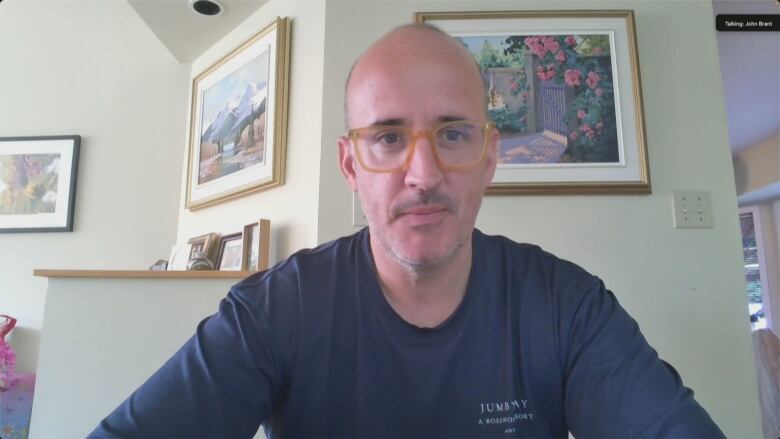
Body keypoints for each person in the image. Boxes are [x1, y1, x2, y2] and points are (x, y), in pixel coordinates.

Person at [91, 24, 724, 438]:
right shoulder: (274, 311)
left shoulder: (568, 306)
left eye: (453, 134)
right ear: (349, 165)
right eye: (389, 138)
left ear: (490, 156)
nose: (423, 174)